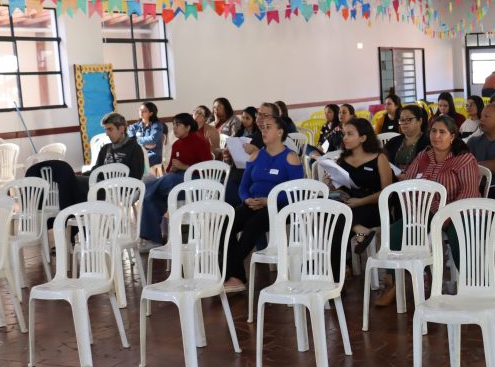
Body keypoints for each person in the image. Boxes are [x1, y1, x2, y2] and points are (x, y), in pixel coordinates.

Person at [373, 115, 480, 307]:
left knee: (460, 238)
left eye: (442, 132)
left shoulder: (463, 159)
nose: (436, 136)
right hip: (426, 213)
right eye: (433, 131)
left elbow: (469, 192)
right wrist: (414, 209)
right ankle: (395, 282)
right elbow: (409, 183)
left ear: (452, 136)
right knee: (395, 232)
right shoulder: (424, 155)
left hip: (458, 212)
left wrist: (443, 218)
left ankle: (471, 284)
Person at [222, 116, 305, 293]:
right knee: (226, 224)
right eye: (263, 128)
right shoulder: (256, 155)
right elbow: (244, 186)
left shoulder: (290, 158)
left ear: (280, 132)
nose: (264, 131)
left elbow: (296, 192)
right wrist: (246, 199)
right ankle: (235, 276)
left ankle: (228, 274)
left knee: (253, 225)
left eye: (269, 127)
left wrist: (270, 201)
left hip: (280, 207)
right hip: (253, 203)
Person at [138, 113, 214, 248]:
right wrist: (173, 168)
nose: (174, 128)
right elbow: (169, 169)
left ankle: (145, 189)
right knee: (151, 197)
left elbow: (208, 169)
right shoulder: (177, 144)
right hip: (176, 181)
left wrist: (185, 167)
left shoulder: (200, 142)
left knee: (155, 186)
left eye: (178, 125)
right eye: (173, 125)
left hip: (195, 185)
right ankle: (153, 239)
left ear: (188, 127)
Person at [324, 118, 393, 258]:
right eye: (344, 134)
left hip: (373, 206)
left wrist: (361, 201)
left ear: (363, 137)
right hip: (349, 203)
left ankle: (341, 269)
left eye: (350, 134)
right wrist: (329, 184)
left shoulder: (379, 158)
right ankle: (359, 230)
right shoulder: (342, 160)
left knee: (337, 218)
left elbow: (388, 193)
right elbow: (338, 187)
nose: (345, 138)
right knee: (328, 211)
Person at [77, 112, 146, 197]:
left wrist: (111, 182)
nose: (107, 133)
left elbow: (136, 177)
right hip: (102, 186)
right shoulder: (105, 148)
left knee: (80, 187)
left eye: (110, 129)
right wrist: (82, 175)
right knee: (74, 181)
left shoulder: (134, 149)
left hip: (121, 190)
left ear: (121, 128)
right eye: (105, 130)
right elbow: (96, 170)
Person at [385, 104, 428, 171]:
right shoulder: (393, 142)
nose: (404, 123)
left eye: (408, 119)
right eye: (402, 120)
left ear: (419, 121)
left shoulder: (428, 143)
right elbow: (384, 162)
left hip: (418, 180)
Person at [127, 101, 167, 167]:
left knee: (139, 162)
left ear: (151, 113)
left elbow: (152, 139)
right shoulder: (134, 126)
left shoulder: (157, 125)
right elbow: (130, 140)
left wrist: (137, 140)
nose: (141, 112)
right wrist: (144, 145)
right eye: (140, 110)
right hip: (139, 152)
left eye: (144, 111)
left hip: (154, 154)